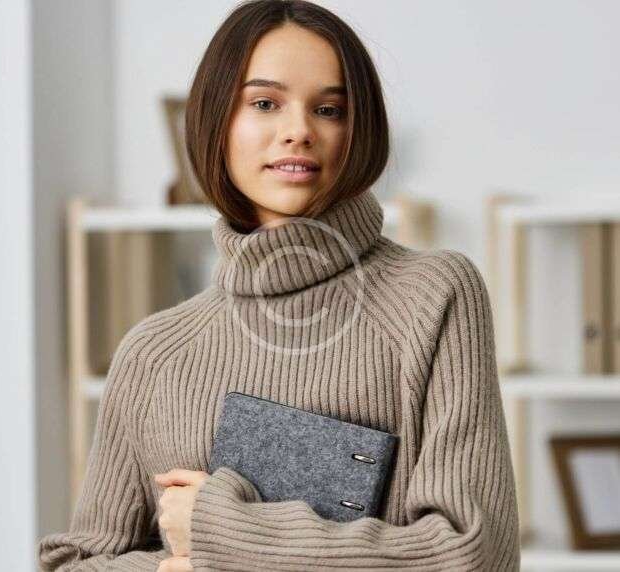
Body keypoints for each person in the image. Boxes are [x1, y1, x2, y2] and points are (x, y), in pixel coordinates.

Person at [38, 1, 521, 570]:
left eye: (330, 109)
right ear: (216, 121)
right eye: (265, 103)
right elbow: (78, 562)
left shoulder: (433, 296)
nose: (299, 132)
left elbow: (475, 555)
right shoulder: (153, 353)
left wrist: (221, 531)